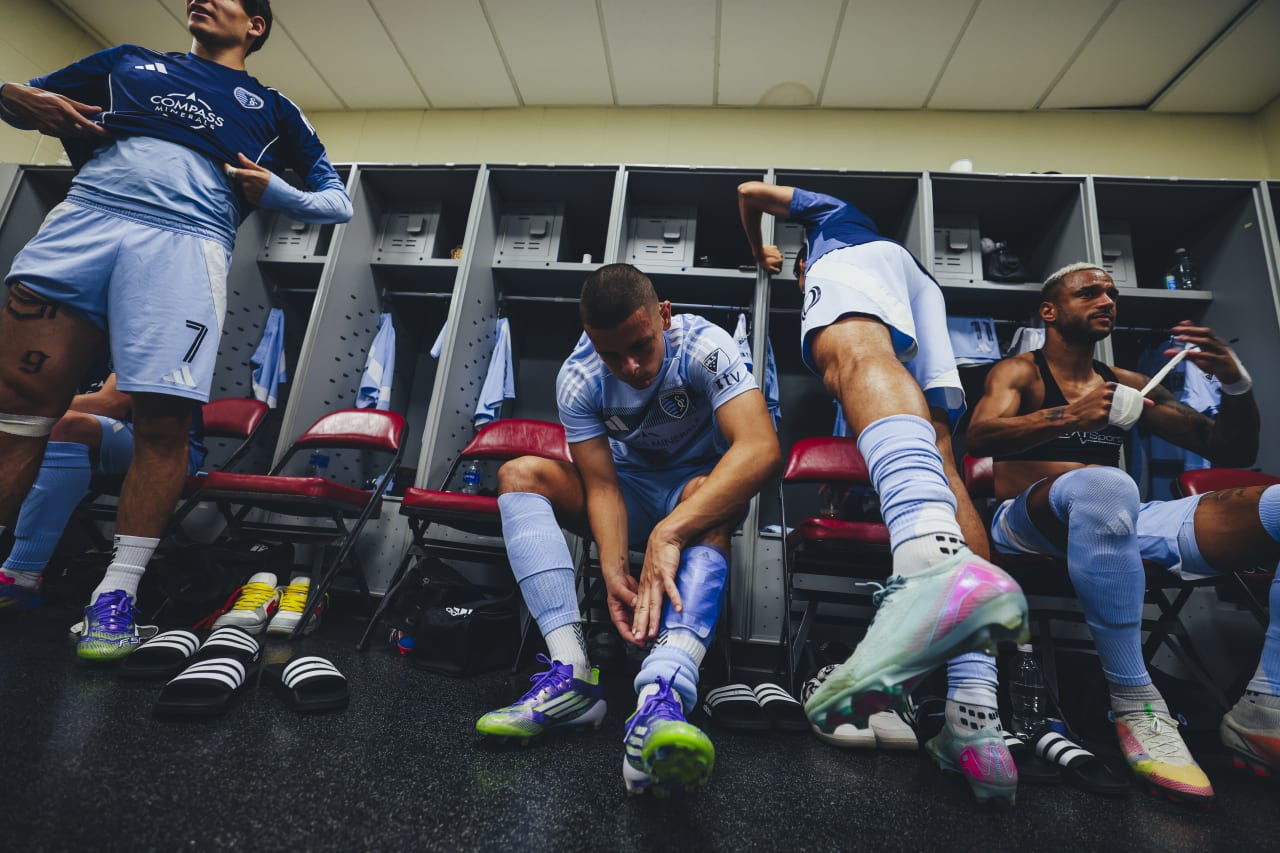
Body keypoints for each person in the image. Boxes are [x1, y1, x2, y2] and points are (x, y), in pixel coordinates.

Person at [0, 0, 352, 660]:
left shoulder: (273, 107)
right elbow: (23, 96)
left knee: (164, 426)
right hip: (87, 220)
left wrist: (277, 191)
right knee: (17, 415)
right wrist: (16, 99)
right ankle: (14, 571)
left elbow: (337, 201)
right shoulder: (128, 61)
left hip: (186, 244)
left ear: (257, 27)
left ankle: (116, 599)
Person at [738, 183, 1029, 804]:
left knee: (852, 354)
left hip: (861, 259)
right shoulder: (897, 270)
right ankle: (974, 721)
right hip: (926, 290)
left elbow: (749, 190)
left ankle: (926, 557)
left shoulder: (833, 234)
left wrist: (760, 245)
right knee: (942, 456)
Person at [967, 261, 1278, 804]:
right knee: (1106, 484)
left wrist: (1235, 383)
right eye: (1089, 292)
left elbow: (1231, 451)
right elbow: (979, 435)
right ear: (1050, 310)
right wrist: (1068, 416)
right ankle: (1137, 705)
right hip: (1025, 521)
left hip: (1114, 519)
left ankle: (1265, 705)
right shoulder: (1019, 371)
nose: (1107, 299)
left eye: (1111, 292)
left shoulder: (1128, 385)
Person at [475, 263, 782, 795]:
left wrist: (670, 533)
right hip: (629, 491)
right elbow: (603, 487)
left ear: (664, 316)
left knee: (712, 498)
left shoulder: (705, 346)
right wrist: (614, 569)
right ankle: (572, 676)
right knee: (519, 473)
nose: (631, 366)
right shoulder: (579, 376)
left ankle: (661, 695)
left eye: (640, 345)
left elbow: (760, 449)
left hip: (694, 488)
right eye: (612, 353)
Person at [0, 373, 208, 610]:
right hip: (100, 438)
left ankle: (20, 577)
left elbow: (109, 404)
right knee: (15, 430)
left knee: (63, 425)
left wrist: (18, 404)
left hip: (169, 451)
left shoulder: (139, 337)